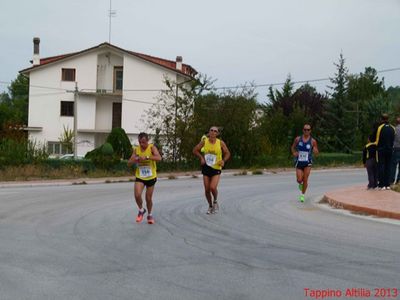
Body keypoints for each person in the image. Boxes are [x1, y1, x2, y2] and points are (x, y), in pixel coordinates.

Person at [193, 126, 231, 214]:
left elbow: (228, 153)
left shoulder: (220, 143)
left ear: (217, 134)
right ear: (209, 132)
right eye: (211, 130)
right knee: (207, 189)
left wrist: (223, 160)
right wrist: (201, 158)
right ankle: (210, 206)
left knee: (212, 187)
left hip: (216, 167)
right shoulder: (204, 142)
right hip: (206, 167)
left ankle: (215, 201)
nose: (213, 132)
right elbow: (195, 150)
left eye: (215, 131)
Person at [127, 132, 162, 224]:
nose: (141, 144)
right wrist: (136, 159)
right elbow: (129, 163)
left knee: (148, 198)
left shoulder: (151, 147)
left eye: (143, 142)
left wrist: (147, 157)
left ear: (147, 141)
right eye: (139, 142)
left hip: (151, 176)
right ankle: (141, 210)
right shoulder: (136, 150)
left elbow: (159, 158)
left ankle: (149, 215)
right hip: (140, 176)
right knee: (137, 195)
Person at [291, 124, 319, 202]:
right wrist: (294, 153)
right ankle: (301, 184)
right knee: (299, 179)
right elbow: (292, 147)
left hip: (308, 162)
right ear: (303, 130)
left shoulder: (313, 141)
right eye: (305, 129)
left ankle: (302, 195)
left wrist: (315, 151)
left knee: (305, 179)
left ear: (310, 131)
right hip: (299, 161)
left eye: (308, 130)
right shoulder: (297, 139)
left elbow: (317, 152)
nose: (306, 131)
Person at [375, 114, 395, 190]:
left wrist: (376, 147)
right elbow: (393, 139)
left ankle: (381, 184)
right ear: (388, 119)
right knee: (388, 167)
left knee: (381, 166)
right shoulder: (392, 128)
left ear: (382, 119)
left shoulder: (380, 128)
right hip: (390, 150)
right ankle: (387, 184)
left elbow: (377, 140)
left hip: (381, 150)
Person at [390, 117, 400, 184]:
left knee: (393, 165)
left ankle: (391, 180)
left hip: (396, 148)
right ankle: (398, 180)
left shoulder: (394, 129)